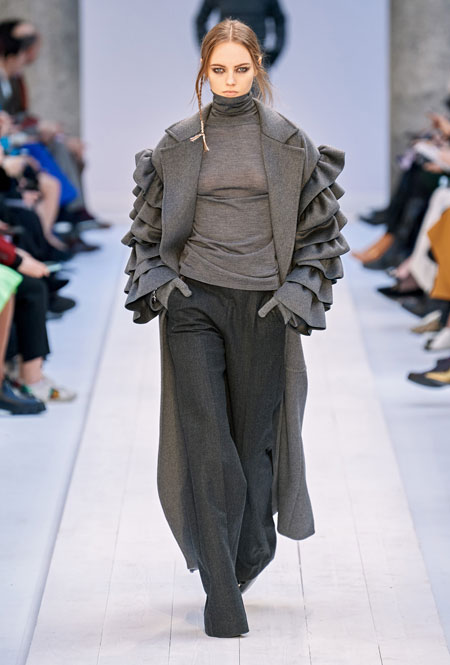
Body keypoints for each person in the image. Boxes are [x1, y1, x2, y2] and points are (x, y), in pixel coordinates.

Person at [122, 18, 348, 638]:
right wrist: (163, 283)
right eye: (218, 69)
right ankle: (222, 596)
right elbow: (147, 228)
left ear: (257, 69)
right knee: (206, 441)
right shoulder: (176, 143)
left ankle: (250, 552)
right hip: (193, 302)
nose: (229, 80)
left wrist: (294, 291)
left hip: (262, 307)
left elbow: (320, 230)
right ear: (204, 71)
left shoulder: (290, 142)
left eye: (240, 69)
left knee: (253, 446)